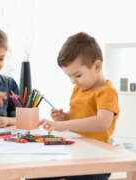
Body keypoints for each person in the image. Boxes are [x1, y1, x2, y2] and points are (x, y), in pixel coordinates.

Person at [35, 32, 120, 180]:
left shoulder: (107, 92)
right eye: (69, 76)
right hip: (75, 151)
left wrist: (64, 124)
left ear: (97, 66)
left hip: (98, 159)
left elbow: (102, 123)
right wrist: (64, 117)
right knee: (37, 173)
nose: (73, 81)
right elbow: (82, 116)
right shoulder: (79, 89)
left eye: (77, 75)